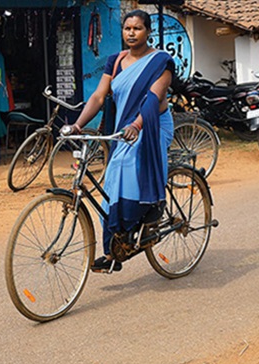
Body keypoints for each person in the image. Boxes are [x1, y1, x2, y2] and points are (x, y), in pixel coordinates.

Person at [63, 9, 175, 273]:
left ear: (148, 31)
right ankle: (116, 248)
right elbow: (98, 97)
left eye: (137, 28)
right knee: (111, 182)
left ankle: (151, 211)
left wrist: (136, 125)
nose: (131, 33)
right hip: (125, 128)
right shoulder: (114, 61)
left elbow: (153, 98)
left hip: (152, 125)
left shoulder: (161, 61)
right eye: (127, 29)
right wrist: (78, 125)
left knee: (127, 164)